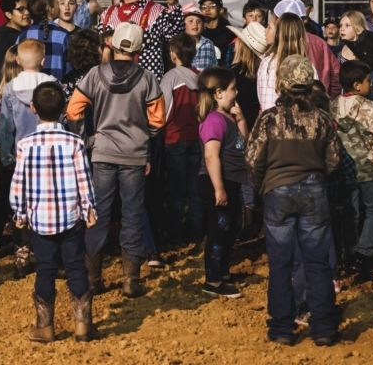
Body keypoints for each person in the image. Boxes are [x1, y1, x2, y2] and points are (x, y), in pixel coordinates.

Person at [247, 54, 342, 346]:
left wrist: (263, 187)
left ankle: (281, 328)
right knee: (317, 262)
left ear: (282, 83)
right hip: (314, 191)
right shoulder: (323, 119)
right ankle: (324, 328)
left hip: (277, 192)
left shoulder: (268, 119)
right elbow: (334, 161)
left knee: (280, 264)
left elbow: (253, 160)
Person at [67, 22, 165, 298]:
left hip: (102, 153)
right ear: (139, 50)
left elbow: (74, 111)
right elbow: (158, 120)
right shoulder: (147, 78)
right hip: (134, 155)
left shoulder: (95, 75)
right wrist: (145, 139)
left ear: (110, 45)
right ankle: (130, 280)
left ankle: (93, 279)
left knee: (98, 214)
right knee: (133, 214)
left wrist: (89, 139)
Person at [11, 82, 98, 343]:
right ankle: (83, 326)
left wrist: (19, 212)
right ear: (63, 110)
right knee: (75, 267)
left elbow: (19, 182)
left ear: (33, 109)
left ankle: (44, 326)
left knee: (45, 269)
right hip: (71, 217)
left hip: (40, 219)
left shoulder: (25, 144)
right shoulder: (74, 141)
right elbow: (84, 178)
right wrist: (89, 208)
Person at [0, 39, 56, 278]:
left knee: (21, 206)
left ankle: (22, 255)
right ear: (43, 61)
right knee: (45, 202)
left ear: (18, 61)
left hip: (22, 155)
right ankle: (46, 253)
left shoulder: (10, 88)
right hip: (49, 153)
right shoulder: (52, 84)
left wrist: (6, 154)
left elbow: (6, 126)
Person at [332, 60, 373, 282]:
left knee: (351, 212)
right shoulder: (369, 107)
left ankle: (349, 252)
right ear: (357, 85)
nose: (371, 85)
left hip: (343, 168)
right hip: (368, 166)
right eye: (367, 81)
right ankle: (364, 253)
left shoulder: (332, 105)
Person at [197, 67, 250, 299]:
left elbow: (243, 143)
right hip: (218, 182)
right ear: (218, 93)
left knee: (231, 229)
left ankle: (223, 273)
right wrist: (218, 188)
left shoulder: (228, 118)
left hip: (232, 181)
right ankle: (213, 280)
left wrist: (241, 119)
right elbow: (211, 155)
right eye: (232, 89)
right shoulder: (214, 120)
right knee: (219, 230)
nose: (236, 93)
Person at [98, 0, 182, 80]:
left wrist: (173, 5)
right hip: (114, 87)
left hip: (147, 87)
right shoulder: (107, 14)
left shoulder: (158, 11)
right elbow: (101, 53)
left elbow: (176, 36)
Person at [160, 34, 202, 245]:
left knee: (176, 190)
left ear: (173, 55)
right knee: (195, 189)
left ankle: (175, 235)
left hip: (175, 137)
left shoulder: (171, 77)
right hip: (196, 137)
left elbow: (164, 111)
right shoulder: (200, 77)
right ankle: (195, 232)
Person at [256, 12, 316, 113]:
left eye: (269, 28)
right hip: (302, 124)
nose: (265, 31)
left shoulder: (267, 64)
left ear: (278, 34)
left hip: (273, 123)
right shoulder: (308, 66)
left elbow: (265, 103)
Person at [16, 0, 71, 81]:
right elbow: (69, 69)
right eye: (56, 3)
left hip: (27, 89)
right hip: (56, 89)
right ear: (50, 8)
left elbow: (15, 65)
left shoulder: (23, 35)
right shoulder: (64, 35)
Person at [0, 0, 30, 89]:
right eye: (21, 9)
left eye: (28, 8)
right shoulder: (2, 40)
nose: (27, 12)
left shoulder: (28, 33)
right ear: (8, 14)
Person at [199, 0, 235, 67]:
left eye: (212, 6)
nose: (207, 9)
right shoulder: (196, 30)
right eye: (204, 7)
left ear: (221, 10)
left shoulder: (229, 32)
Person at [183, 4, 217, 72]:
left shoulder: (208, 44)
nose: (195, 24)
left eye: (199, 21)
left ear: (203, 26)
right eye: (191, 21)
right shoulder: (179, 42)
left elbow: (209, 68)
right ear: (183, 24)